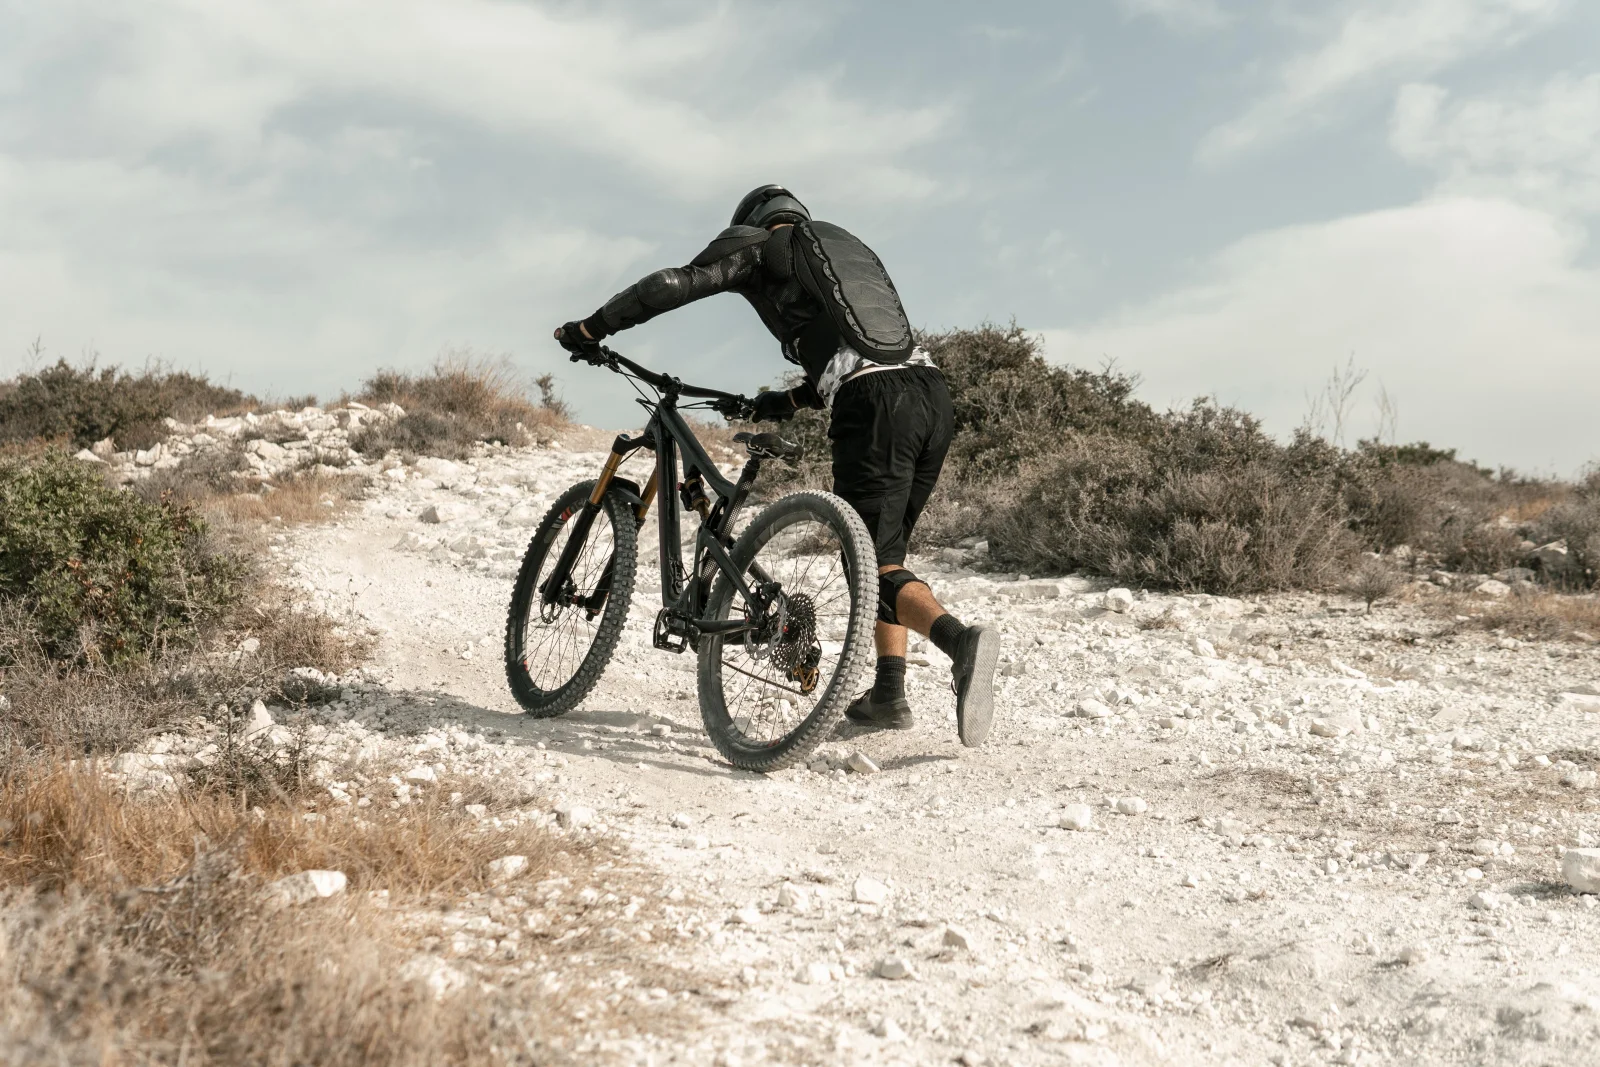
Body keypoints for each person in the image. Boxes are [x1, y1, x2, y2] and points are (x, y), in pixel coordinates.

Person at [553, 185, 999, 746]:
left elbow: (670, 284)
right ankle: (888, 695)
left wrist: (592, 329)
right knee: (884, 557)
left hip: (875, 403)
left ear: (754, 223)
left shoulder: (761, 245)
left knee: (870, 564)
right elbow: (848, 354)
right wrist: (776, 404)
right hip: (931, 396)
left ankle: (960, 643)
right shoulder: (842, 249)